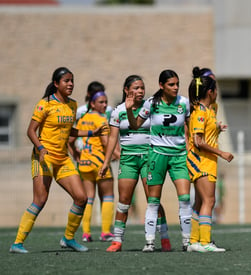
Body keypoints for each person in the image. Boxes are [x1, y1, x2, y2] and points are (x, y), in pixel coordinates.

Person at [9, 67, 106, 254]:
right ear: (56, 84)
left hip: (63, 159)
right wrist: (41, 148)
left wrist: (92, 133)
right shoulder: (44, 104)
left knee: (81, 198)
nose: (70, 84)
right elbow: (30, 131)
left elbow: (70, 131)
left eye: (72, 81)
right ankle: (17, 243)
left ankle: (68, 239)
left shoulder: (73, 105)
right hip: (43, 157)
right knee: (40, 199)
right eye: (66, 81)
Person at [100, 75, 171, 252]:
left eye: (142, 88)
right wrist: (105, 162)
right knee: (124, 201)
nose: (140, 91)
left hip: (150, 158)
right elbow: (111, 139)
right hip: (128, 160)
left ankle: (164, 238)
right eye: (136, 88)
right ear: (126, 90)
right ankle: (117, 240)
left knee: (152, 200)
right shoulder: (118, 111)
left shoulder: (151, 107)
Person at [127, 69, 192, 252]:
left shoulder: (184, 103)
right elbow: (135, 125)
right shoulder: (151, 103)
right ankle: (150, 242)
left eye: (177, 84)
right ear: (161, 86)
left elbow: (190, 127)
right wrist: (129, 109)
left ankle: (187, 242)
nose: (175, 87)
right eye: (171, 84)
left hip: (179, 156)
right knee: (153, 201)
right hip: (157, 155)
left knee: (185, 198)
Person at [186, 67, 234, 253]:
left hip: (206, 160)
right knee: (209, 201)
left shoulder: (207, 110)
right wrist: (222, 153)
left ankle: (194, 242)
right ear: (210, 92)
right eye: (216, 90)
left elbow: (204, 133)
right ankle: (205, 242)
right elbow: (198, 141)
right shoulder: (200, 111)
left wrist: (217, 128)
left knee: (200, 202)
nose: (217, 94)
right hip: (201, 160)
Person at [69, 89, 115, 243]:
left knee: (89, 198)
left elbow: (70, 140)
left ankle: (86, 233)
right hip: (99, 162)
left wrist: (77, 156)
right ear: (93, 103)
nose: (104, 105)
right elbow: (105, 142)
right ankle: (106, 232)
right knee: (108, 196)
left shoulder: (82, 119)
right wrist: (116, 155)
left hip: (84, 162)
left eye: (106, 102)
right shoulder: (102, 120)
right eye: (101, 102)